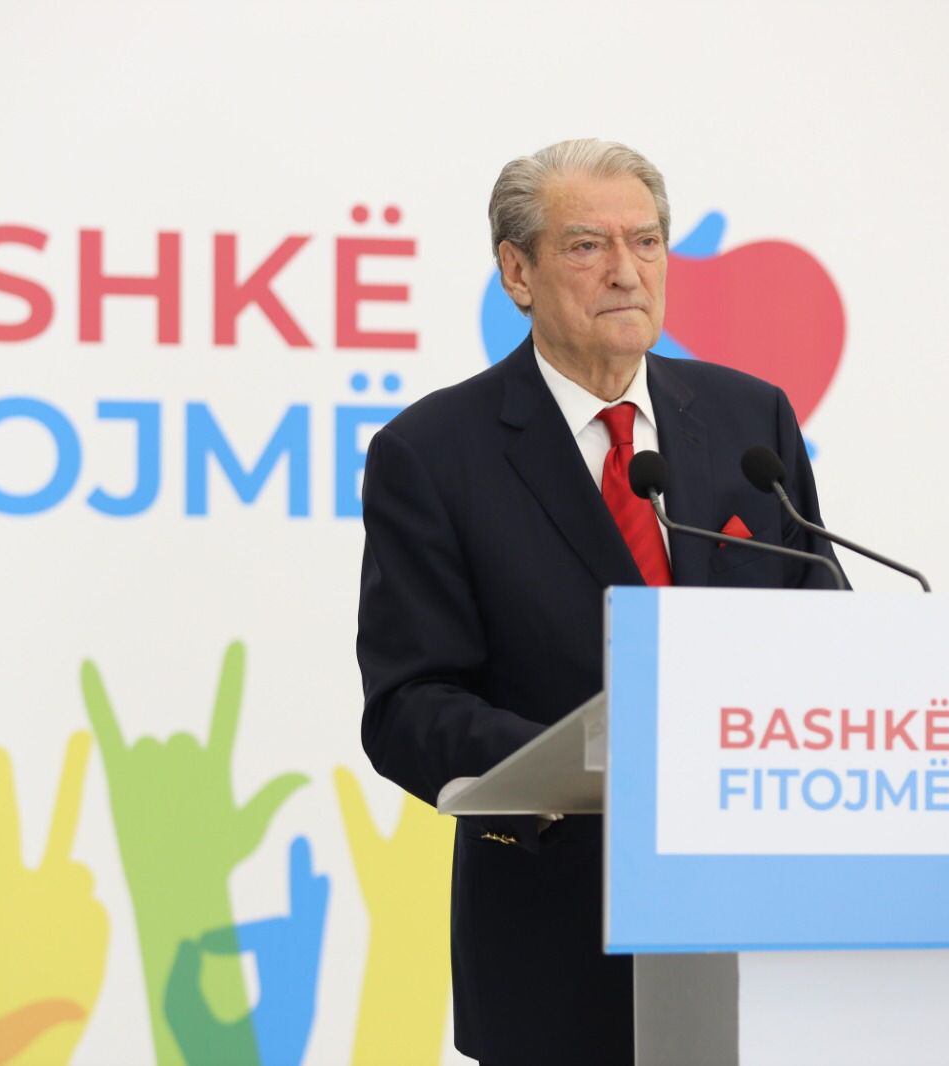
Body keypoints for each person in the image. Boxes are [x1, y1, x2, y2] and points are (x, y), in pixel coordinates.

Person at [356, 138, 840, 1064]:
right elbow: (409, 706)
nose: (627, 271)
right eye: (587, 246)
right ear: (518, 272)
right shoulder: (434, 453)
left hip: (764, 927)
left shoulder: (752, 421)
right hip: (561, 940)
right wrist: (582, 763)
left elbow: (821, 625)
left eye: (646, 242)